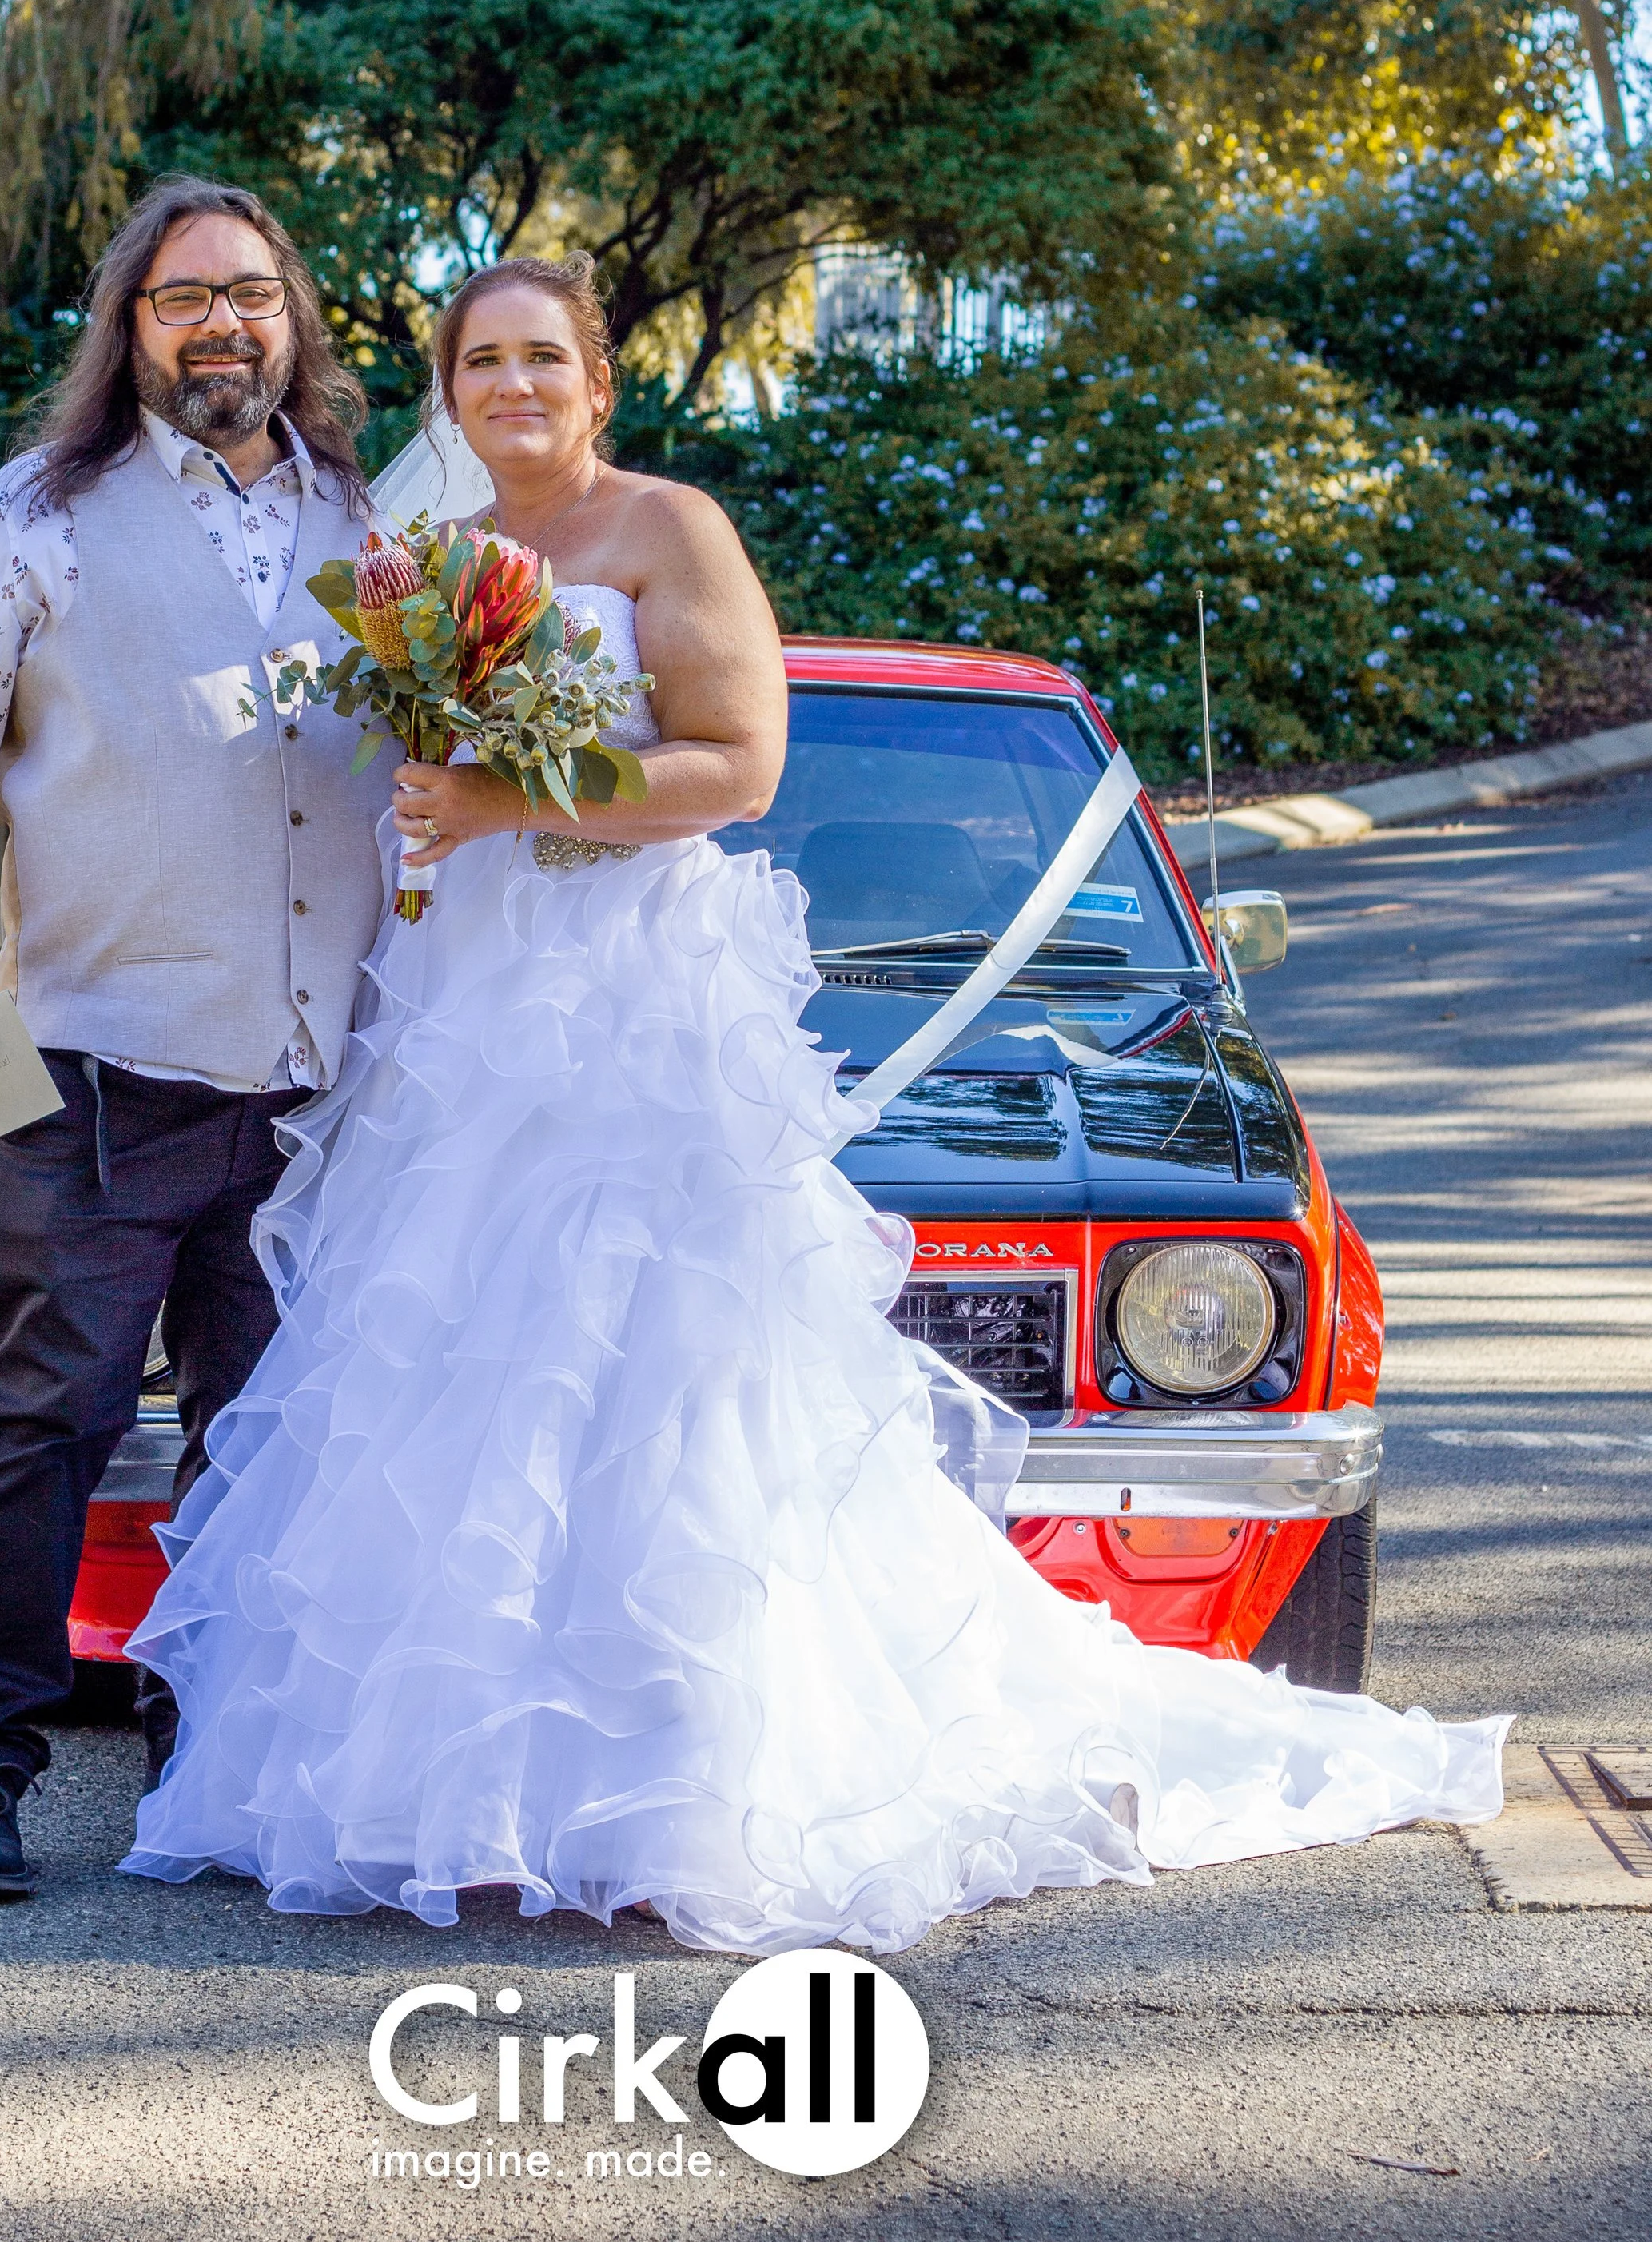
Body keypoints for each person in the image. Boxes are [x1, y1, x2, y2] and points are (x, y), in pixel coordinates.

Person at [119, 251, 1507, 1956]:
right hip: (473, 997)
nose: (513, 386)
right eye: (481, 361)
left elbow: (738, 766)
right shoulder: (419, 562)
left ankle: (681, 1773)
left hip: (630, 994)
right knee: (456, 1354)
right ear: (447, 388)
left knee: (659, 1366)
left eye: (543, 357)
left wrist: (511, 786)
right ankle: (454, 1784)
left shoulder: (665, 531)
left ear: (597, 380)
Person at [0, 176, 394, 1898]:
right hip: (92, 1060)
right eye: (181, 301)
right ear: (131, 330)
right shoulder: (41, 512)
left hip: (314, 1080)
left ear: (292, 321)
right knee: (40, 1423)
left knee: (264, 1431)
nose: (221, 324)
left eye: (249, 294)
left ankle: (209, 1730)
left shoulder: (372, 523)